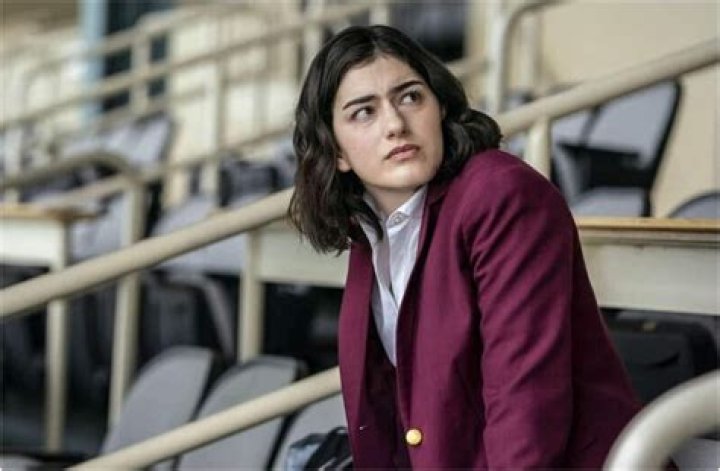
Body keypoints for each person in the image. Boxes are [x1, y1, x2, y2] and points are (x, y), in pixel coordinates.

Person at [288, 25, 641, 469]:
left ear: (440, 107)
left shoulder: (500, 194)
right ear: (336, 151)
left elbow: (525, 404)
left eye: (410, 97)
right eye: (364, 112)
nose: (395, 124)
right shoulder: (374, 229)